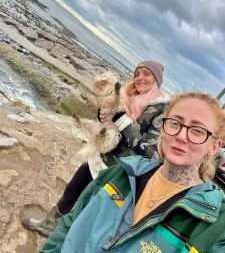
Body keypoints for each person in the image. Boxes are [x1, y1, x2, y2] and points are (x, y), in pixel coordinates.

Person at [38, 91, 225, 253]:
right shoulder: (118, 174)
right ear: (163, 129)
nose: (181, 136)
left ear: (214, 146)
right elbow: (70, 224)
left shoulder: (215, 225)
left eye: (198, 130)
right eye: (175, 123)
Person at [22, 60, 169, 236]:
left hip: (118, 170)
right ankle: (48, 223)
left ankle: (67, 238)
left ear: (157, 80)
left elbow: (152, 154)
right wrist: (101, 116)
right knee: (71, 191)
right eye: (137, 74)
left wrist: (123, 121)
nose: (139, 78)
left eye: (146, 74)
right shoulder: (127, 94)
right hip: (98, 154)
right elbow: (108, 124)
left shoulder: (162, 110)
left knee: (88, 208)